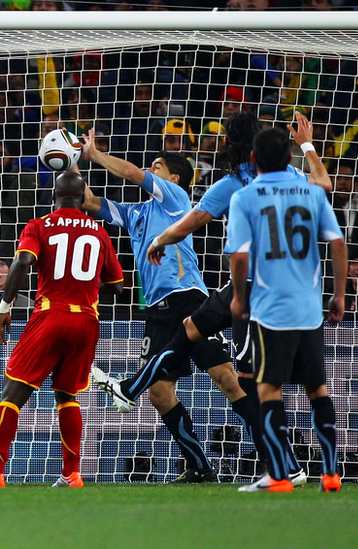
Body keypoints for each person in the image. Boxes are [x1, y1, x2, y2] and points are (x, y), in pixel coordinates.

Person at [95, 111, 330, 486]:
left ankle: (287, 467)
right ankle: (135, 390)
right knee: (199, 340)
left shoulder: (231, 183)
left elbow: (195, 223)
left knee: (246, 380)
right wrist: (307, 144)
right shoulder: (293, 178)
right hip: (295, 287)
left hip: (253, 288)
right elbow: (325, 184)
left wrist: (160, 240)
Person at [78, 127, 257, 484]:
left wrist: (96, 154)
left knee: (226, 379)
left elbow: (130, 172)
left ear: (174, 178)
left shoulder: (175, 198)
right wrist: (69, 160)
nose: (150, 168)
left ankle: (274, 453)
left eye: (157, 166)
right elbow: (88, 201)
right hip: (157, 309)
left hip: (189, 297)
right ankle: (200, 466)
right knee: (160, 394)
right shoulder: (134, 213)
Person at [0, 171, 124, 488]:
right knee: (68, 396)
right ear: (83, 199)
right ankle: (72, 475)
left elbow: (23, 261)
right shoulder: (98, 231)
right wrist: (84, 288)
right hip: (86, 321)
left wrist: (5, 306)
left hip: (50, 315)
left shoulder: (39, 225)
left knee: (12, 393)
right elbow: (118, 284)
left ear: (53, 197)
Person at [226, 126, 347, 493]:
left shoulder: (245, 197)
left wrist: (238, 298)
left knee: (268, 391)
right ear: (290, 158)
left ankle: (279, 476)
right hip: (310, 309)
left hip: (270, 310)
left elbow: (240, 255)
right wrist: (338, 295)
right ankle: (330, 474)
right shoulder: (311, 193)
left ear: (252, 158)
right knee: (318, 390)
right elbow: (338, 243)